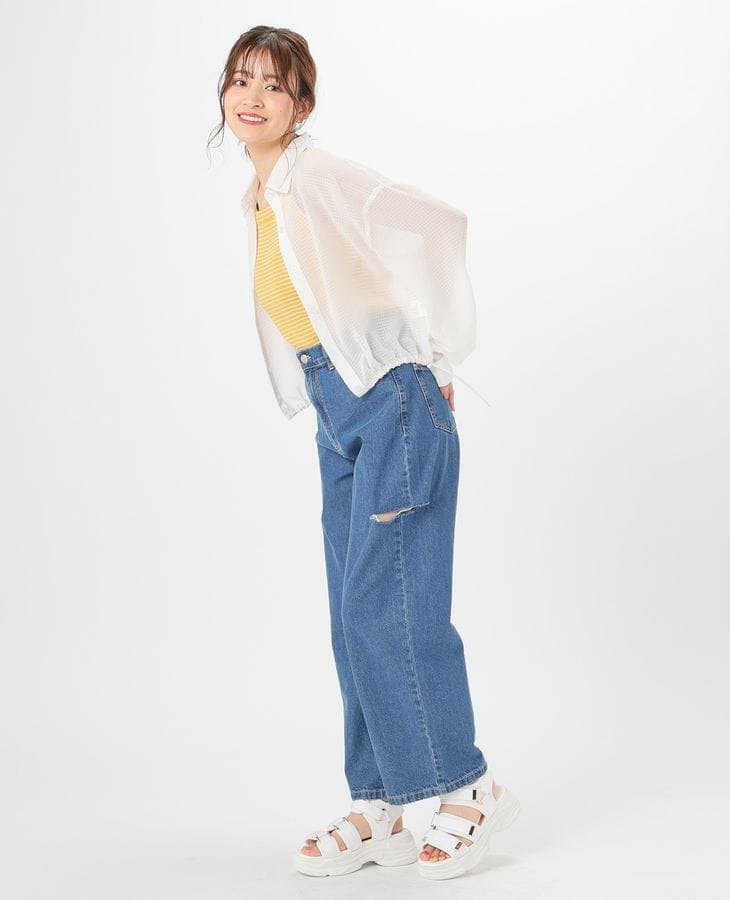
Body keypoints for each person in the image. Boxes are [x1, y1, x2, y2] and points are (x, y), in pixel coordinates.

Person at [210, 25, 520, 881]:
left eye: (274, 85)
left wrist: (435, 352)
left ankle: (471, 787)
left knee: (393, 607)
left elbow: (436, 221)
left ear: (302, 105)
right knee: (353, 612)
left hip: (392, 401)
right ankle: (380, 802)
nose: (252, 97)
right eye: (240, 80)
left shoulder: (314, 175)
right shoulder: (262, 195)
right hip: (337, 407)